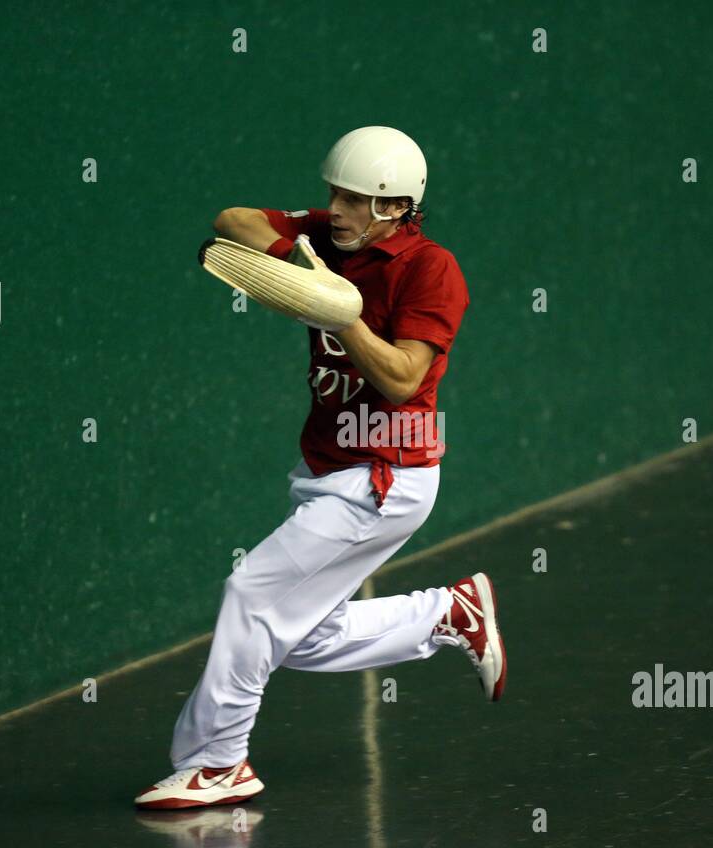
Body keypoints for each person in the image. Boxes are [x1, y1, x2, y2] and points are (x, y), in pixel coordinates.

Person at [135, 127, 507, 810]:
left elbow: (402, 378)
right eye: (333, 192)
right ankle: (445, 615)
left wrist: (339, 312)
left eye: (355, 200)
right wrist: (304, 267)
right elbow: (232, 223)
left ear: (394, 208)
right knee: (299, 634)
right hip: (325, 467)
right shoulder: (327, 237)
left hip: (385, 474)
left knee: (252, 594)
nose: (335, 208)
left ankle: (218, 762)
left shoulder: (431, 270)